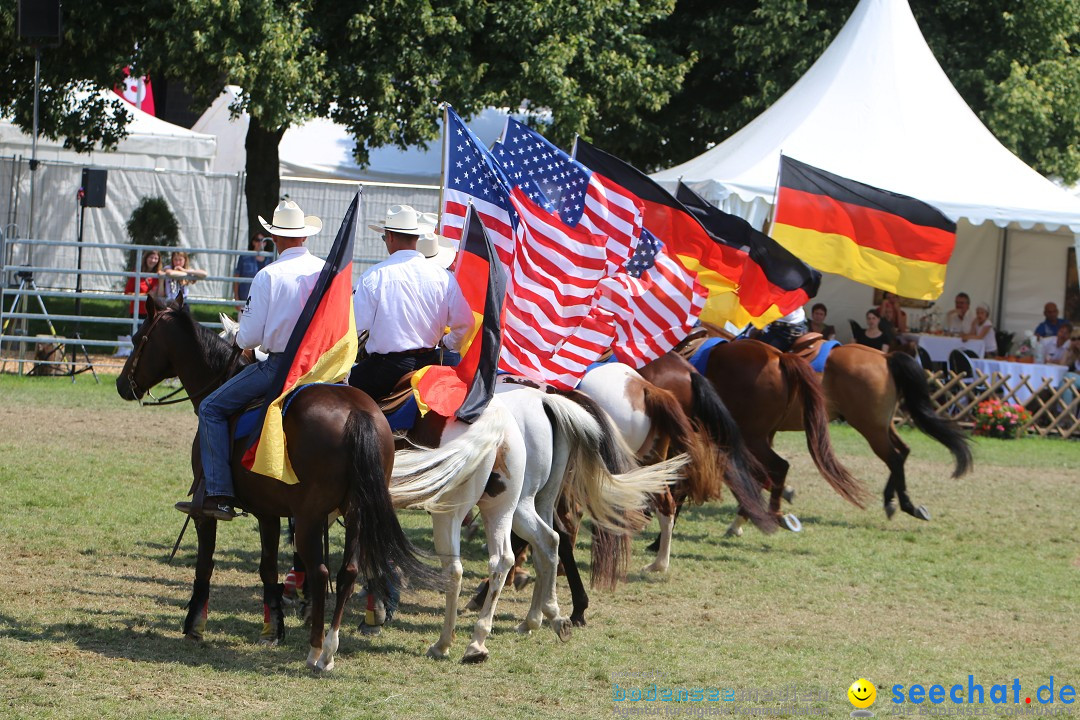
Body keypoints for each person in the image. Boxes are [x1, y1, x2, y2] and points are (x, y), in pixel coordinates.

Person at [176, 200, 324, 521]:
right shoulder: (326, 271)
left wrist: (244, 339)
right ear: (305, 236)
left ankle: (219, 493)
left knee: (211, 408)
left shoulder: (268, 275)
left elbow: (248, 338)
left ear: (276, 238)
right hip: (322, 368)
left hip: (279, 368)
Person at [348, 204, 473, 402]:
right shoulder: (443, 276)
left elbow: (352, 327)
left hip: (385, 369)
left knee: (342, 392)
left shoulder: (374, 276)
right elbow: (466, 323)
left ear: (389, 237)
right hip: (430, 364)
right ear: (417, 238)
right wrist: (448, 343)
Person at [233, 232, 272, 306]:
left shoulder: (270, 259)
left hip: (263, 301)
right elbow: (236, 278)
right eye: (258, 240)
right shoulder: (244, 257)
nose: (260, 242)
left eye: (263, 240)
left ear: (265, 243)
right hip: (245, 298)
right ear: (253, 242)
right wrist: (236, 298)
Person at [124, 250, 165, 319]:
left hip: (154, 312)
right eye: (151, 257)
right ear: (146, 258)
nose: (153, 260)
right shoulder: (136, 273)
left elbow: (161, 295)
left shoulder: (159, 275)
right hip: (138, 311)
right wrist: (145, 295)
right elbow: (127, 293)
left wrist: (161, 281)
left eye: (156, 258)